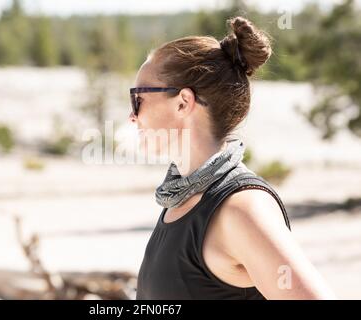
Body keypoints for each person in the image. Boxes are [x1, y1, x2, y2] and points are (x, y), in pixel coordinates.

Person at [129, 16, 336, 300]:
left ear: (183, 102)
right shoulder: (180, 199)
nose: (132, 115)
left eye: (137, 98)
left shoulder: (241, 208)